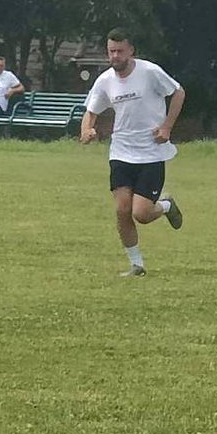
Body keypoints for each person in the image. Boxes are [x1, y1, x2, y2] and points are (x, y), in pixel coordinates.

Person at [79, 28, 185, 277]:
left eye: (119, 51)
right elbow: (92, 110)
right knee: (122, 209)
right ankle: (136, 265)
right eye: (111, 52)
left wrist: (167, 127)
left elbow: (178, 92)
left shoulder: (149, 72)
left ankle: (167, 206)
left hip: (151, 153)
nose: (115, 56)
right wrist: (87, 129)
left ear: (131, 51)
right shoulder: (105, 80)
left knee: (142, 214)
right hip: (120, 153)